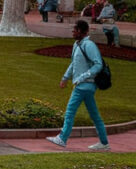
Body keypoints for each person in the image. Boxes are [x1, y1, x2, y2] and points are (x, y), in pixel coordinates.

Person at [46, 20, 110, 151]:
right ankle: (104, 143)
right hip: (83, 86)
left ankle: (62, 138)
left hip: (85, 85)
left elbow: (98, 64)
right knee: (94, 115)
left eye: (74, 30)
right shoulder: (77, 45)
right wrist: (65, 78)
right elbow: (73, 64)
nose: (73, 32)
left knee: (70, 111)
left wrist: (82, 77)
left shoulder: (89, 45)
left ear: (80, 31)